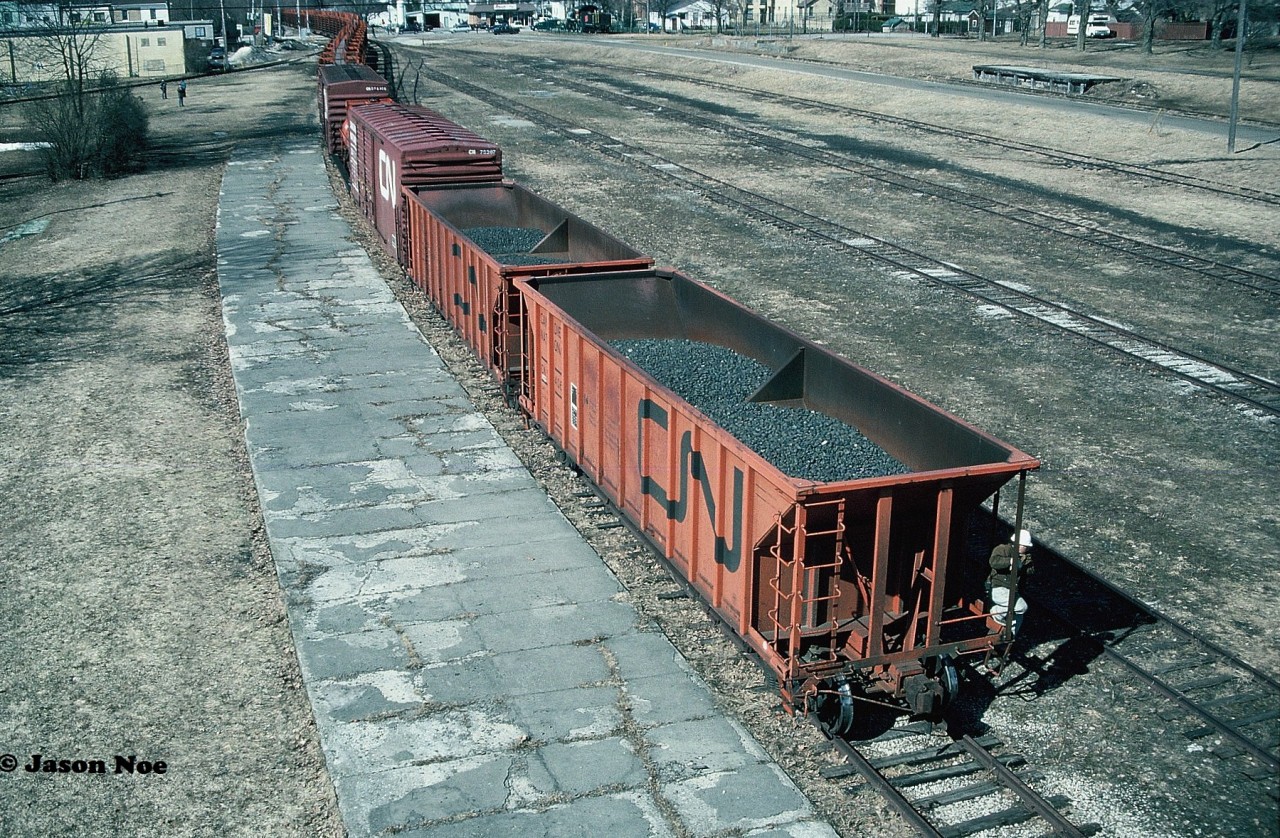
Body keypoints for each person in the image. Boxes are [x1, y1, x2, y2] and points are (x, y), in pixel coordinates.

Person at [987, 528, 1033, 600]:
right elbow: (993, 562)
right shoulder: (1003, 549)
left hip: (1013, 589)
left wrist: (1024, 564)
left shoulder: (1025, 557)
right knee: (1018, 605)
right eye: (1026, 547)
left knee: (1020, 605)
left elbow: (1030, 571)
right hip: (999, 587)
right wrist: (1010, 561)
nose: (1027, 549)